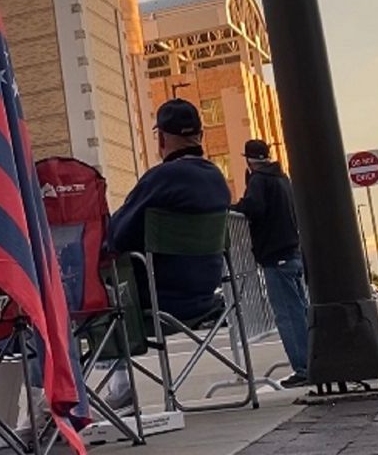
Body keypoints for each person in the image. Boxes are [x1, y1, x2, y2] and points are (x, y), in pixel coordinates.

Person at [104, 99, 231, 409]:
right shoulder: (217, 181)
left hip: (160, 300)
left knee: (96, 288)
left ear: (161, 138)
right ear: (201, 135)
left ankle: (117, 386)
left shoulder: (160, 179)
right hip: (206, 298)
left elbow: (115, 237)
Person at [234, 139, 309, 389]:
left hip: (275, 255)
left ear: (249, 160)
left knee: (288, 314)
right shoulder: (281, 177)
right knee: (301, 309)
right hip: (293, 251)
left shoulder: (259, 179)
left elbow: (254, 207)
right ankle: (313, 359)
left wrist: (234, 207)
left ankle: (304, 367)